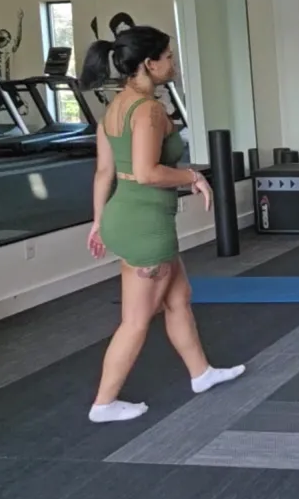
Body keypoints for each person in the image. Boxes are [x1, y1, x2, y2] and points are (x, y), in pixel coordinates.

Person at [82, 26, 244, 424]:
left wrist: (99, 221)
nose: (174, 63)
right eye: (168, 57)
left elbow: (104, 173)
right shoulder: (148, 110)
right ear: (149, 64)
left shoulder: (115, 108)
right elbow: (147, 172)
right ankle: (103, 403)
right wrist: (193, 176)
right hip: (145, 226)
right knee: (136, 320)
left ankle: (201, 373)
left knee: (178, 296)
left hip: (125, 216)